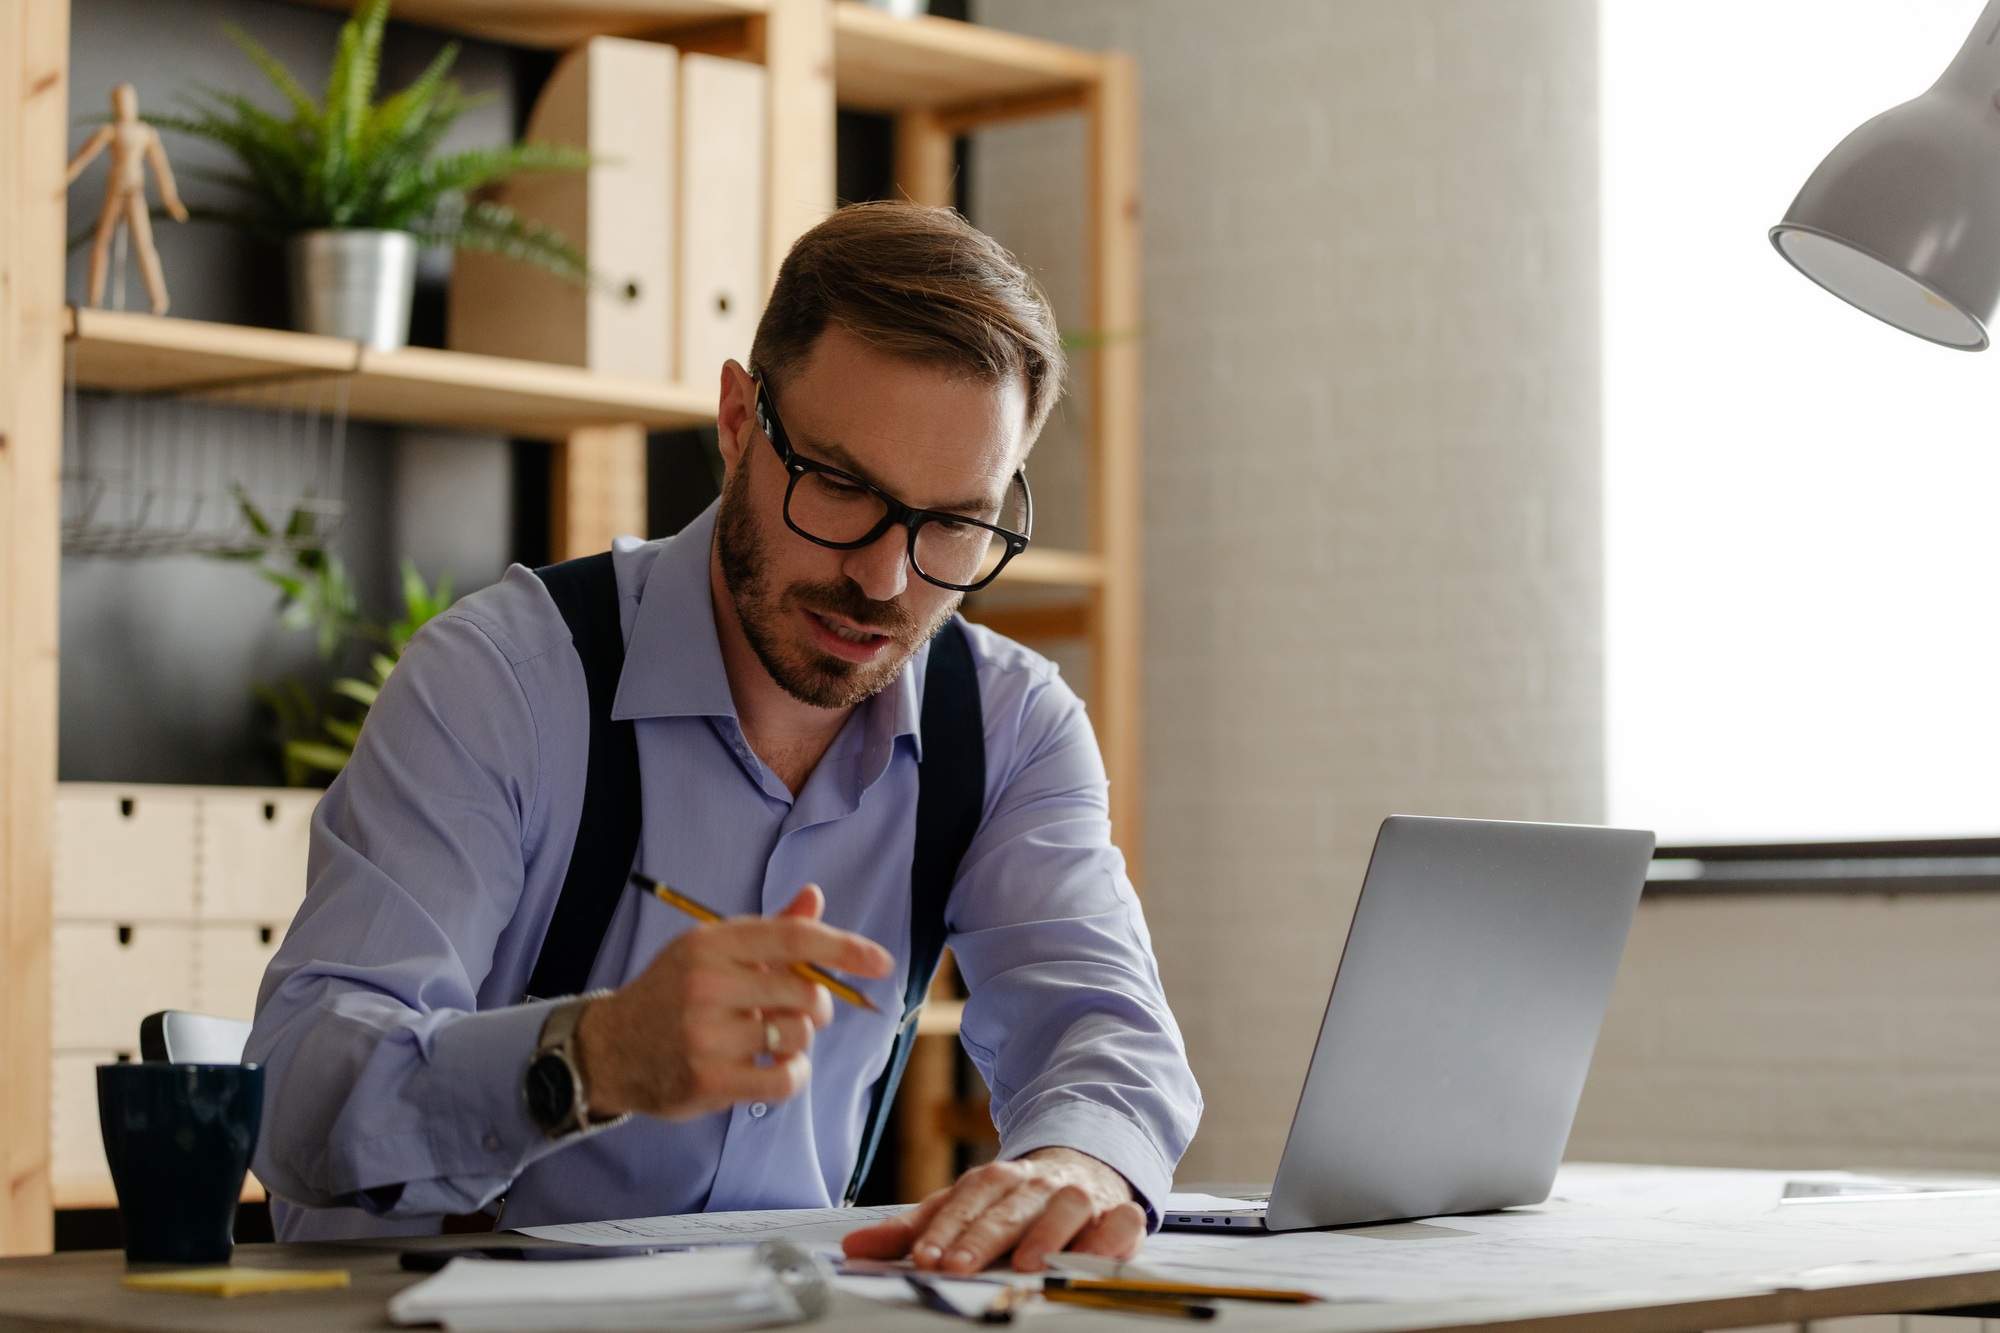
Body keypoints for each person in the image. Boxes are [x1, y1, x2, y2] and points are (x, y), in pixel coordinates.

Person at [248, 202, 1201, 1273]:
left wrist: (1077, 1164)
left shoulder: (1008, 727)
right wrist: (588, 1058)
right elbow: (295, 1092)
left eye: (952, 523)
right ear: (739, 420)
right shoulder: (501, 683)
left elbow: (1104, 1027)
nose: (884, 581)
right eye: (840, 487)